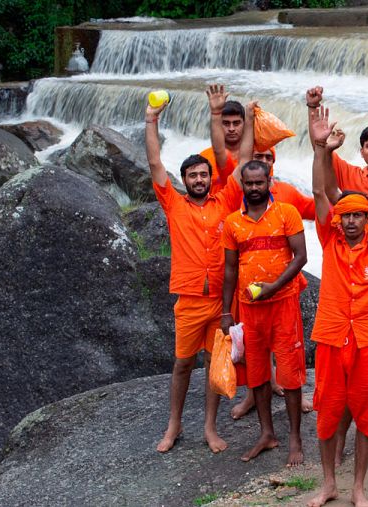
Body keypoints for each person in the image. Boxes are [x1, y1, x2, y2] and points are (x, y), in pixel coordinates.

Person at [206, 84, 315, 420]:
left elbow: (314, 213)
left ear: (271, 173)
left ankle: (281, 385)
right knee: (251, 345)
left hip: (282, 287)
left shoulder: (287, 197)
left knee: (285, 347)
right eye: (258, 158)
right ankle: (256, 394)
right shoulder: (237, 191)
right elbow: (232, 156)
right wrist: (225, 116)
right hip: (243, 277)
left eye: (267, 161)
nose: (260, 165)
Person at [305, 105, 368, 507]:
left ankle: (359, 488)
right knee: (326, 414)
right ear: (339, 221)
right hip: (331, 337)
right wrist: (321, 149)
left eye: (361, 215)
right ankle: (328, 484)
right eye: (348, 216)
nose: (354, 221)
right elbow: (320, 193)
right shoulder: (330, 239)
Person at [146, 96, 243, 454]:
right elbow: (155, 162)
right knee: (183, 363)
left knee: (213, 364)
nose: (199, 179)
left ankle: (209, 428)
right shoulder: (173, 204)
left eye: (204, 174)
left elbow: (244, 160)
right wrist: (150, 120)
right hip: (188, 299)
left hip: (220, 299)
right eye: (193, 175)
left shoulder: (225, 201)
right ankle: (174, 425)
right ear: (184, 180)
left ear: (209, 179)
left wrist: (244, 116)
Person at [220, 159, 308, 465]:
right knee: (256, 373)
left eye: (260, 182)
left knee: (290, 374)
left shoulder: (287, 213)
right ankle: (267, 434)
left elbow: (300, 257)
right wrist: (225, 312)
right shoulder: (233, 223)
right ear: (242, 185)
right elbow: (230, 269)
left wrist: (273, 286)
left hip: (283, 305)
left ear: (269, 181)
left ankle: (295, 438)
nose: (254, 188)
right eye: (249, 183)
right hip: (249, 309)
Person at [201, 93, 245, 194]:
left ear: (245, 124)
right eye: (226, 123)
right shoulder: (204, 157)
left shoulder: (258, 155)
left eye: (236, 123)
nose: (231, 129)